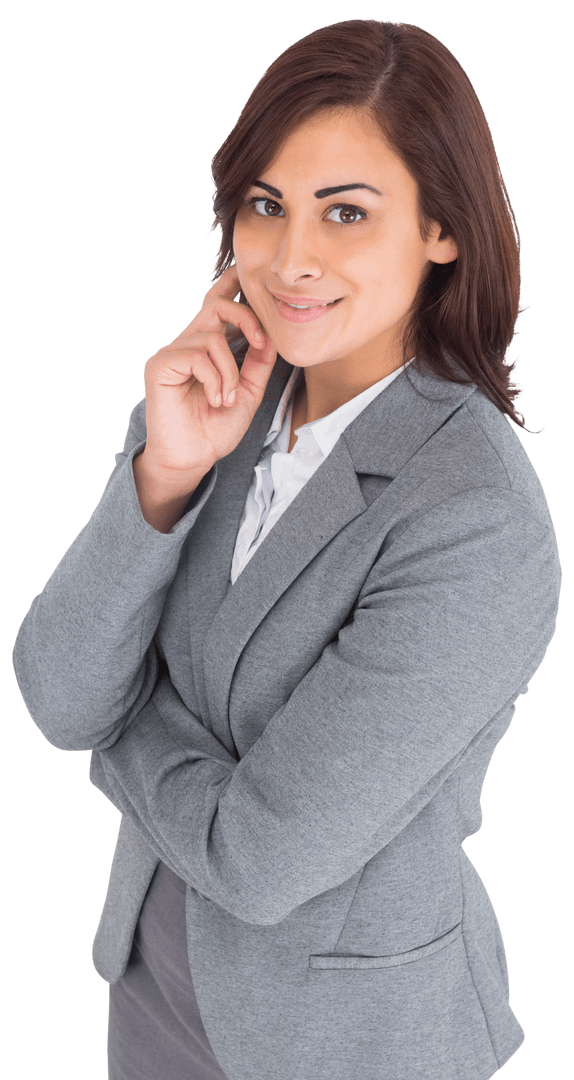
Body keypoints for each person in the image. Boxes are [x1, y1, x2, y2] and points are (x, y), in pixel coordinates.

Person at [11, 17, 561, 1080]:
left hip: (340, 1041)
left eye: (346, 212)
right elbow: (56, 694)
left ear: (441, 228)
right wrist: (162, 477)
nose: (291, 258)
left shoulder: (473, 517)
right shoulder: (215, 405)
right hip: (152, 991)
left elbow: (258, 860)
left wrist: (122, 725)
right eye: (266, 205)